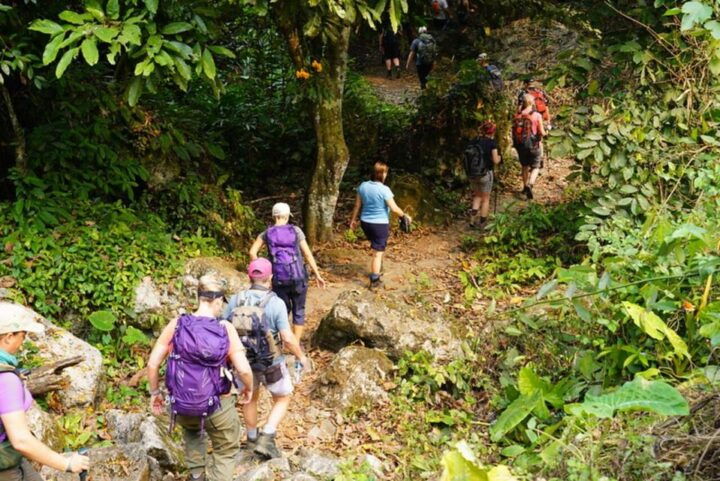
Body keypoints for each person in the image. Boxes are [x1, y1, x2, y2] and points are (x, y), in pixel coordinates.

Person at [147, 276, 253, 481]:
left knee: (193, 433)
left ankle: (196, 476)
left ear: (199, 297)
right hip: (218, 403)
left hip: (183, 402)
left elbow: (152, 364)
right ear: (217, 300)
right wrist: (247, 388)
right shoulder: (225, 328)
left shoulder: (177, 325)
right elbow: (244, 370)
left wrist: (155, 393)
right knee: (225, 449)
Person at [223, 258, 310, 460]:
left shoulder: (236, 299)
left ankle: (252, 440)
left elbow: (223, 328)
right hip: (271, 362)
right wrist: (301, 357)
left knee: (249, 397)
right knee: (283, 398)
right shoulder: (276, 303)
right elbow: (287, 338)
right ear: (270, 278)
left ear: (249, 277)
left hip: (243, 362)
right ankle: (267, 436)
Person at [0, 302, 90, 481]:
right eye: (22, 336)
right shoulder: (6, 379)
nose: (22, 342)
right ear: (9, 337)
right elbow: (21, 440)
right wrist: (67, 464)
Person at [249, 202, 326, 342]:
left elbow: (252, 252)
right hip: (298, 277)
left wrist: (264, 272)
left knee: (282, 310)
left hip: (278, 278)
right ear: (287, 216)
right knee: (299, 310)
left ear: (274, 216)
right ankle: (295, 343)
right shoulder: (296, 231)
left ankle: (281, 342)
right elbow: (307, 254)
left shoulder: (267, 233)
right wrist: (317, 275)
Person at [349, 161, 411, 289]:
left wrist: (353, 221)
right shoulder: (384, 189)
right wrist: (404, 216)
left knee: (377, 248)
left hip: (365, 223)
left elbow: (357, 206)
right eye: (386, 172)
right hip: (379, 225)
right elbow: (394, 208)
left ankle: (377, 267)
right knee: (378, 253)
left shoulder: (363, 186)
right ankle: (375, 281)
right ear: (382, 174)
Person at [464, 121, 501, 229]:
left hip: (472, 174)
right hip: (485, 174)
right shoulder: (491, 143)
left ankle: (472, 221)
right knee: (485, 198)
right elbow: (495, 160)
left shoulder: (473, 141)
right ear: (492, 131)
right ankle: (482, 222)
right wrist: (499, 158)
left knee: (477, 196)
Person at [513, 94, 546, 200]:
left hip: (521, 146)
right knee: (536, 166)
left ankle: (524, 186)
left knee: (524, 166)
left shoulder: (517, 115)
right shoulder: (537, 115)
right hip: (534, 145)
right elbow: (542, 132)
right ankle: (530, 185)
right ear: (532, 102)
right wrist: (548, 131)